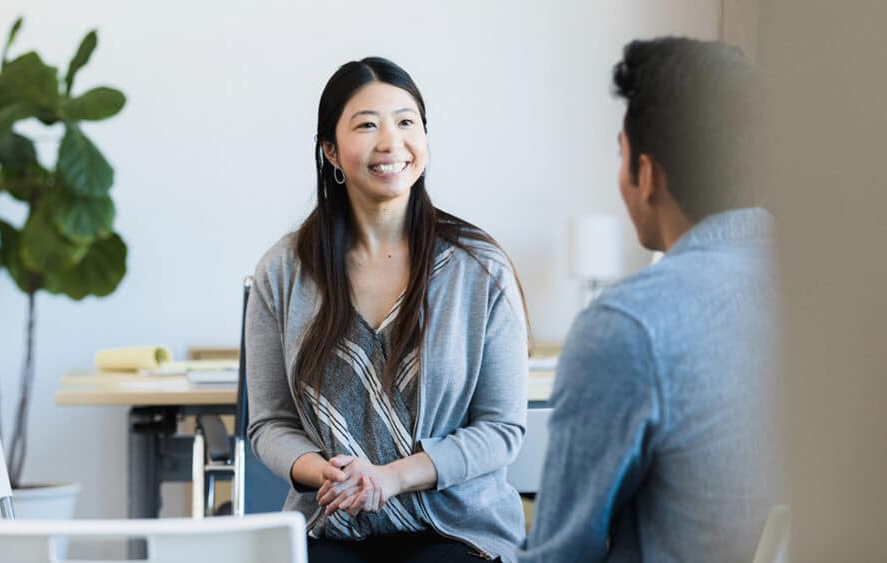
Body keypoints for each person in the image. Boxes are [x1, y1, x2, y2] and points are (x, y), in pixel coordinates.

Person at [246, 57, 529, 563]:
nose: (390, 142)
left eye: (406, 122)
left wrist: (389, 478)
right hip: (330, 522)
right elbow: (269, 425)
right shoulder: (282, 272)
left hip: (455, 526)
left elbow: (502, 429)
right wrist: (325, 472)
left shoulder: (479, 268)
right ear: (330, 150)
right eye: (367, 125)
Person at [519, 37, 775, 562]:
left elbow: (561, 554)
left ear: (648, 173)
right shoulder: (839, 292)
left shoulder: (628, 326)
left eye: (620, 154)